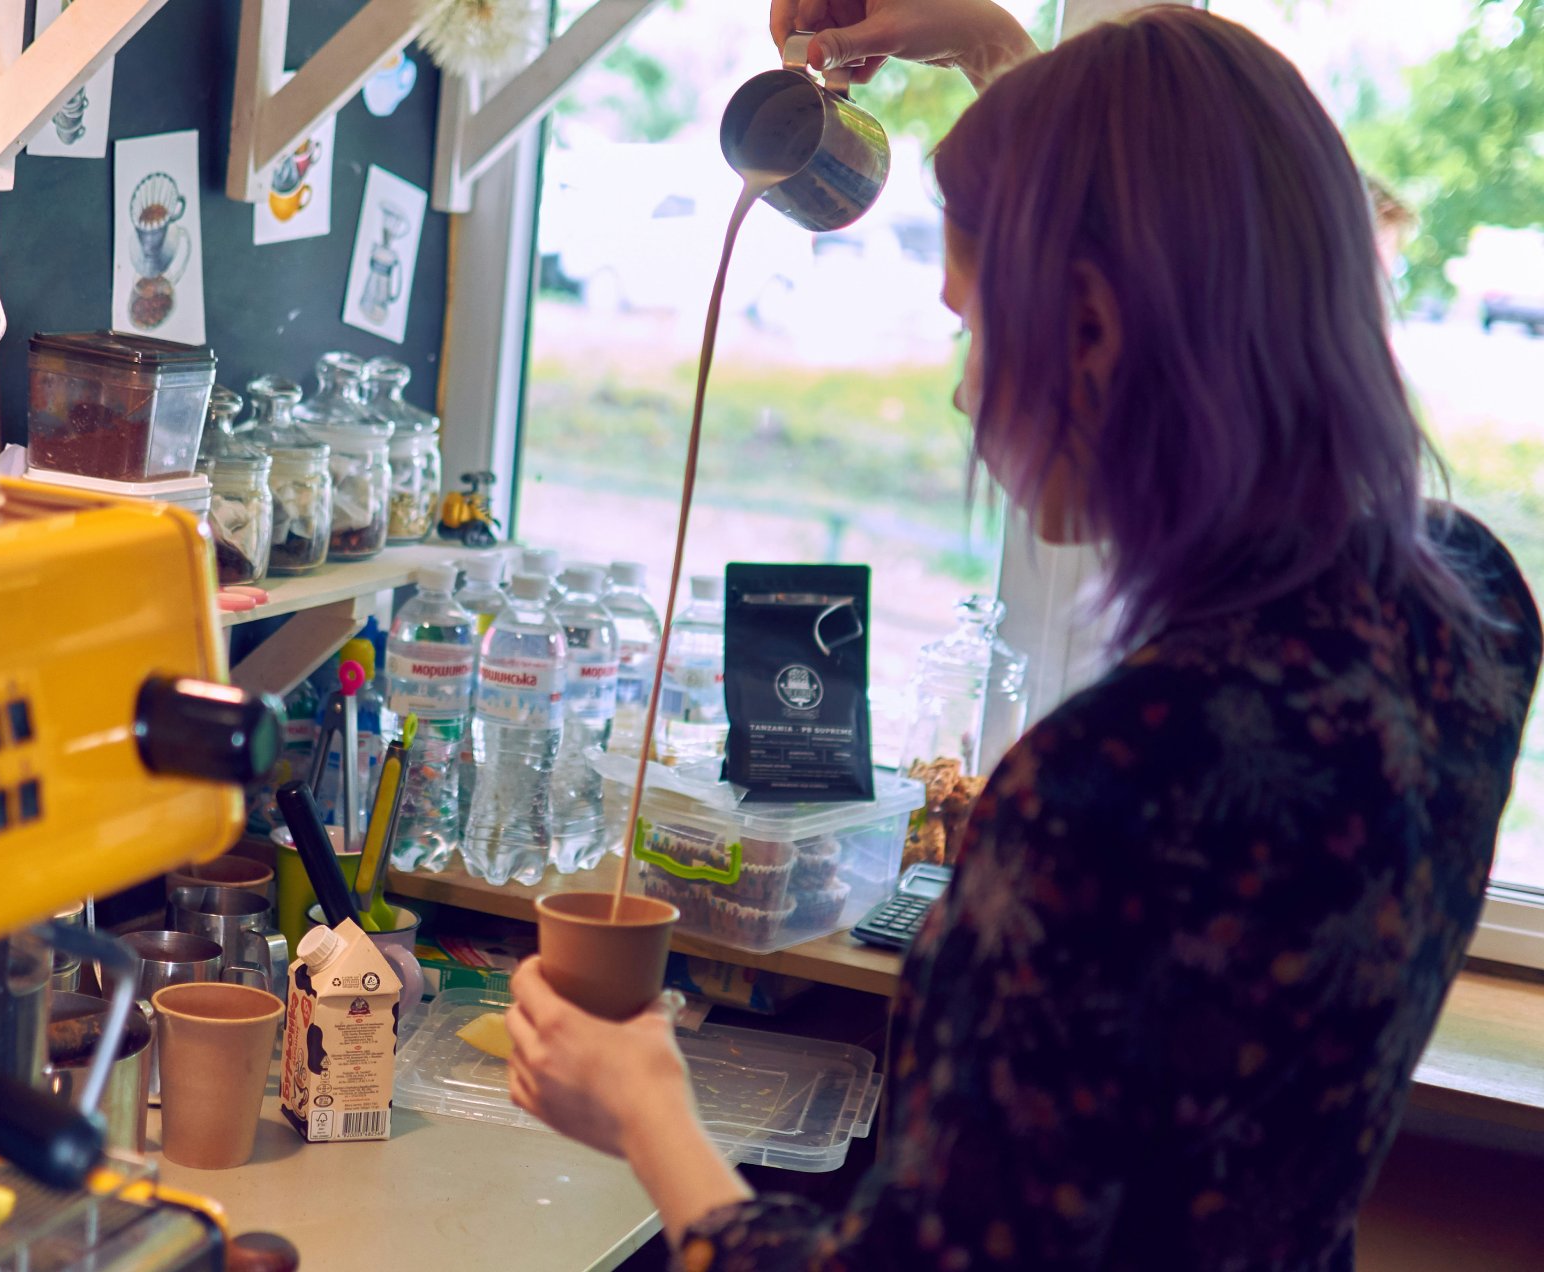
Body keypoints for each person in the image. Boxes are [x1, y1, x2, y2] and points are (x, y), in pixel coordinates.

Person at [504, 4, 1543, 1269]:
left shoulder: (1105, 792)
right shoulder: (1472, 612)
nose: (961, 384)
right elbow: (1216, 231)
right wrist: (1001, 52)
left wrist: (646, 1111)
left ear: (1093, 330)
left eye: (973, 323)